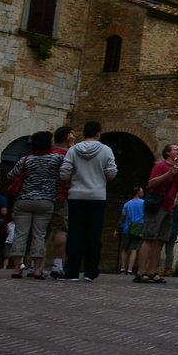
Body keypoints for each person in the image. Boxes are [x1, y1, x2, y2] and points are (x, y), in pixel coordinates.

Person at [58, 120, 118, 281]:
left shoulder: (74, 150)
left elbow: (64, 173)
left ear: (83, 133)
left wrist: (73, 179)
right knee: (93, 234)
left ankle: (72, 271)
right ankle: (91, 271)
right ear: (98, 133)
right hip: (97, 196)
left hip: (76, 195)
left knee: (75, 233)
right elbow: (112, 173)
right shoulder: (106, 150)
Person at [6, 131, 61, 279]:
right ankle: (37, 269)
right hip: (45, 200)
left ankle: (16, 268)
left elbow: (11, 175)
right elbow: (66, 173)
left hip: (24, 200)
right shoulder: (56, 159)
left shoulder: (26, 160)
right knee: (39, 235)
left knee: (20, 234)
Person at [137, 143, 178, 284]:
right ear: (168, 152)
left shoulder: (177, 170)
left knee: (159, 241)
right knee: (149, 237)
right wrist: (168, 174)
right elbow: (151, 183)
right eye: (176, 149)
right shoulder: (161, 166)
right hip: (157, 207)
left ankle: (152, 272)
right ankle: (141, 272)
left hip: (169, 208)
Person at [45, 126, 73, 278]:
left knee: (41, 231)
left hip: (43, 196)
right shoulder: (68, 154)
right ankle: (57, 264)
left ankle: (34, 265)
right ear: (68, 136)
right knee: (61, 229)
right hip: (61, 197)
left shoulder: (46, 153)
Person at [117, 187, 145, 273]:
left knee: (124, 249)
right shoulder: (144, 203)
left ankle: (122, 268)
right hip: (139, 229)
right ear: (138, 193)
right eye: (142, 192)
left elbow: (122, 217)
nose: (143, 194)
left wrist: (117, 229)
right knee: (134, 249)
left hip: (127, 228)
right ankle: (130, 269)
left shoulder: (127, 204)